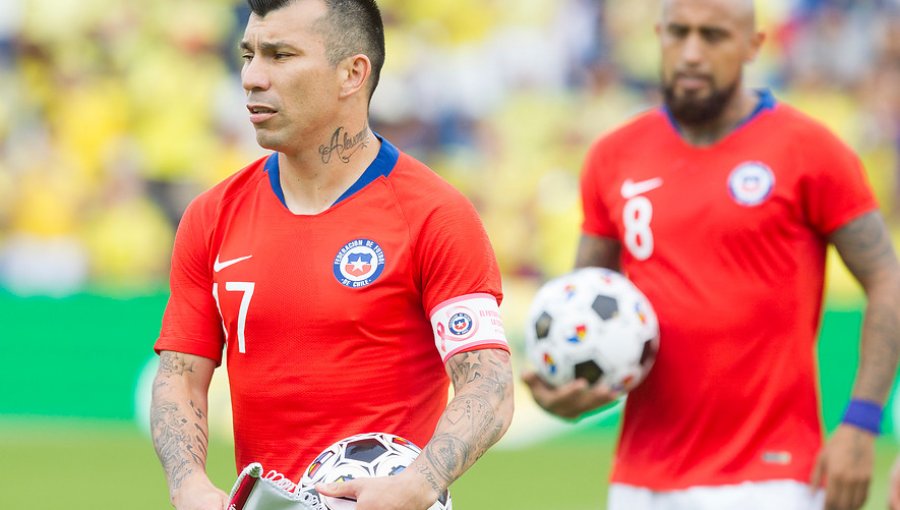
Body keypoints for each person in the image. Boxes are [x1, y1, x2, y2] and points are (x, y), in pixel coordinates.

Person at [523, 0, 900, 509]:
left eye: (714, 36)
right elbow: (583, 302)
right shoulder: (613, 157)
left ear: (753, 45)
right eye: (678, 33)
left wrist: (861, 423)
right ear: (658, 35)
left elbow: (886, 278)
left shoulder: (810, 150)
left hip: (773, 478)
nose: (692, 53)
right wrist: (566, 389)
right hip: (640, 482)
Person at [149, 1, 514, 509]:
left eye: (280, 55)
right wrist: (188, 485)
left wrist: (419, 482)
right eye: (248, 54)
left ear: (352, 73)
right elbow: (180, 376)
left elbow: (489, 384)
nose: (252, 77)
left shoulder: (434, 215)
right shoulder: (210, 216)